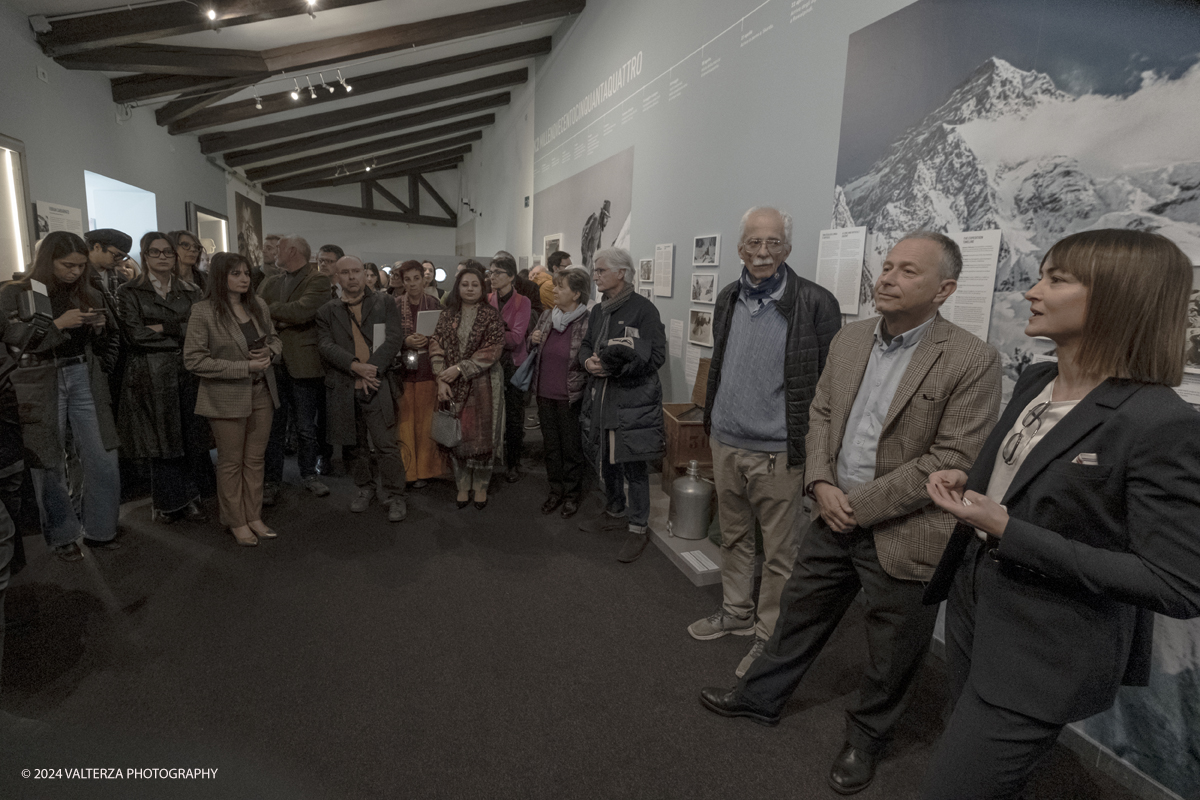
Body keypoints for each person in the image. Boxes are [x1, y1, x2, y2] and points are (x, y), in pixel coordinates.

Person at [698, 231, 1002, 795]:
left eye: (908, 271)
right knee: (798, 613)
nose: (886, 278)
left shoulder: (970, 359)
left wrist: (856, 504)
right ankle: (760, 698)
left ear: (945, 289)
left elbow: (952, 457)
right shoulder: (851, 339)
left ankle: (867, 739)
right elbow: (821, 412)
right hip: (831, 512)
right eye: (886, 266)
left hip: (904, 529)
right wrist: (818, 479)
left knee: (891, 651)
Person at [919, 229, 1200, 800]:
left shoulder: (1157, 422)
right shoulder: (1038, 379)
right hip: (977, 603)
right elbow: (1030, 472)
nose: (1031, 291)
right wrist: (973, 482)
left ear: (1117, 297)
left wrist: (1007, 530)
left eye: (1056, 279)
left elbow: (1175, 583)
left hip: (1045, 647)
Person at [689, 207, 842, 679]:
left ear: (788, 249)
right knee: (733, 537)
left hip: (780, 451)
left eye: (773, 242)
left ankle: (767, 635)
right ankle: (735, 612)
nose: (762, 251)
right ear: (740, 248)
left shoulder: (815, 302)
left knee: (780, 553)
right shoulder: (728, 297)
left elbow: (827, 385)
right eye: (754, 242)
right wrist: (714, 425)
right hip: (726, 442)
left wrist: (815, 453)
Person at [0, 231, 121, 561]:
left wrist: (98, 325)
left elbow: (109, 339)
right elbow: (14, 341)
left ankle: (101, 529)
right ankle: (62, 535)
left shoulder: (88, 289)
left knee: (103, 456)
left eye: (81, 266)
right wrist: (58, 324)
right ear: (47, 260)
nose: (75, 272)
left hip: (84, 373)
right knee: (48, 462)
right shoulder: (16, 291)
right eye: (68, 265)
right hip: (40, 377)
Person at [183, 252, 282, 547]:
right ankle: (235, 519)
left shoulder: (258, 305)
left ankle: (253, 516)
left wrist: (270, 353)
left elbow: (276, 339)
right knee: (230, 463)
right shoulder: (204, 311)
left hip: (263, 390)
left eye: (246, 274)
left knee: (255, 459)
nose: (244, 279)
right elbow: (194, 360)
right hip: (225, 395)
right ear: (220, 277)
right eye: (236, 274)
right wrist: (244, 367)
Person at [117, 232, 215, 524]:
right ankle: (168, 502)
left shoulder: (192, 291)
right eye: (155, 252)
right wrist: (177, 329)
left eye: (167, 252)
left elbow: (199, 331)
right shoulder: (129, 291)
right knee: (160, 441)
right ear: (145, 256)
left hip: (187, 371)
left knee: (190, 437)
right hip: (149, 374)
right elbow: (134, 335)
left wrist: (163, 327)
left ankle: (191, 497)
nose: (162, 257)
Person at [579, 247, 666, 563]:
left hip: (632, 401)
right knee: (608, 458)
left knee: (634, 463)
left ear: (622, 273)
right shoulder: (599, 310)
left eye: (601, 270)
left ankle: (638, 526)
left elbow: (655, 357)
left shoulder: (644, 310)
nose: (596, 275)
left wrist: (616, 367)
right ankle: (615, 510)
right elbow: (587, 345)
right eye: (595, 270)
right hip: (602, 398)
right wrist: (588, 363)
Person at [317, 256, 408, 522]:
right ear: (337, 276)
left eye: (356, 271)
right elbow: (325, 345)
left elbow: (393, 338)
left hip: (378, 384)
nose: (352, 277)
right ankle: (364, 489)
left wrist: (372, 370)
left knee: (386, 445)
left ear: (365, 274)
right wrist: (356, 367)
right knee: (353, 446)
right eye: (345, 272)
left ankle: (395, 495)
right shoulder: (327, 311)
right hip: (345, 386)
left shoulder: (384, 302)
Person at [258, 235, 332, 504]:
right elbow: (256, 309)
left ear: (291, 251)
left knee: (305, 428)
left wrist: (272, 313)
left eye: (279, 248)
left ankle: (309, 475)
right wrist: (283, 317)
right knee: (274, 428)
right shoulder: (272, 280)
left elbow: (303, 311)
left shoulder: (318, 279)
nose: (274, 253)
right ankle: (271, 481)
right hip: (274, 364)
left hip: (304, 366)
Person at [429, 263, 506, 509]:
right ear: (457, 287)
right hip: (451, 383)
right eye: (465, 284)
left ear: (482, 288)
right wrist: (441, 377)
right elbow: (436, 344)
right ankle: (462, 485)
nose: (470, 289)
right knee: (457, 434)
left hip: (484, 382)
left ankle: (481, 486)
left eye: (475, 285)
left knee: (482, 436)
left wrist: (461, 368)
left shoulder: (490, 314)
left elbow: (494, 348)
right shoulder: (447, 314)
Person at [528, 268, 591, 518]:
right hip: (544, 393)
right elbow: (534, 350)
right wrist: (531, 340)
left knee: (571, 449)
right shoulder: (546, 317)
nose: (554, 290)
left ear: (576, 293)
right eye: (555, 286)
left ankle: (572, 495)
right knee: (551, 447)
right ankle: (555, 491)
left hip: (570, 396)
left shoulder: (587, 321)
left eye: (560, 287)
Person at [394, 260, 446, 487]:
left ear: (424, 279)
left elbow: (442, 336)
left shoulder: (434, 303)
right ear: (402, 281)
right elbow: (386, 336)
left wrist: (429, 340)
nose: (413, 284)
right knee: (404, 423)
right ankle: (408, 471)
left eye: (417, 278)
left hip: (427, 369)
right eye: (408, 279)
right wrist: (405, 340)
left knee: (425, 424)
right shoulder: (394, 304)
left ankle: (425, 471)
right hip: (402, 369)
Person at [487, 255, 532, 483]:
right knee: (489, 413)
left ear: (512, 276)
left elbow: (516, 339)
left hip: (514, 366)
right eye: (491, 272)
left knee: (514, 417)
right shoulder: (486, 299)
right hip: (490, 364)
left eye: (497, 272)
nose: (492, 276)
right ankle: (489, 459)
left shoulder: (522, 301)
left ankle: (513, 463)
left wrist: (490, 334)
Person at [84, 228, 133, 298]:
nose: (120, 261)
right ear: (97, 247)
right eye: (116, 255)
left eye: (123, 257)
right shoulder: (78, 276)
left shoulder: (121, 279)